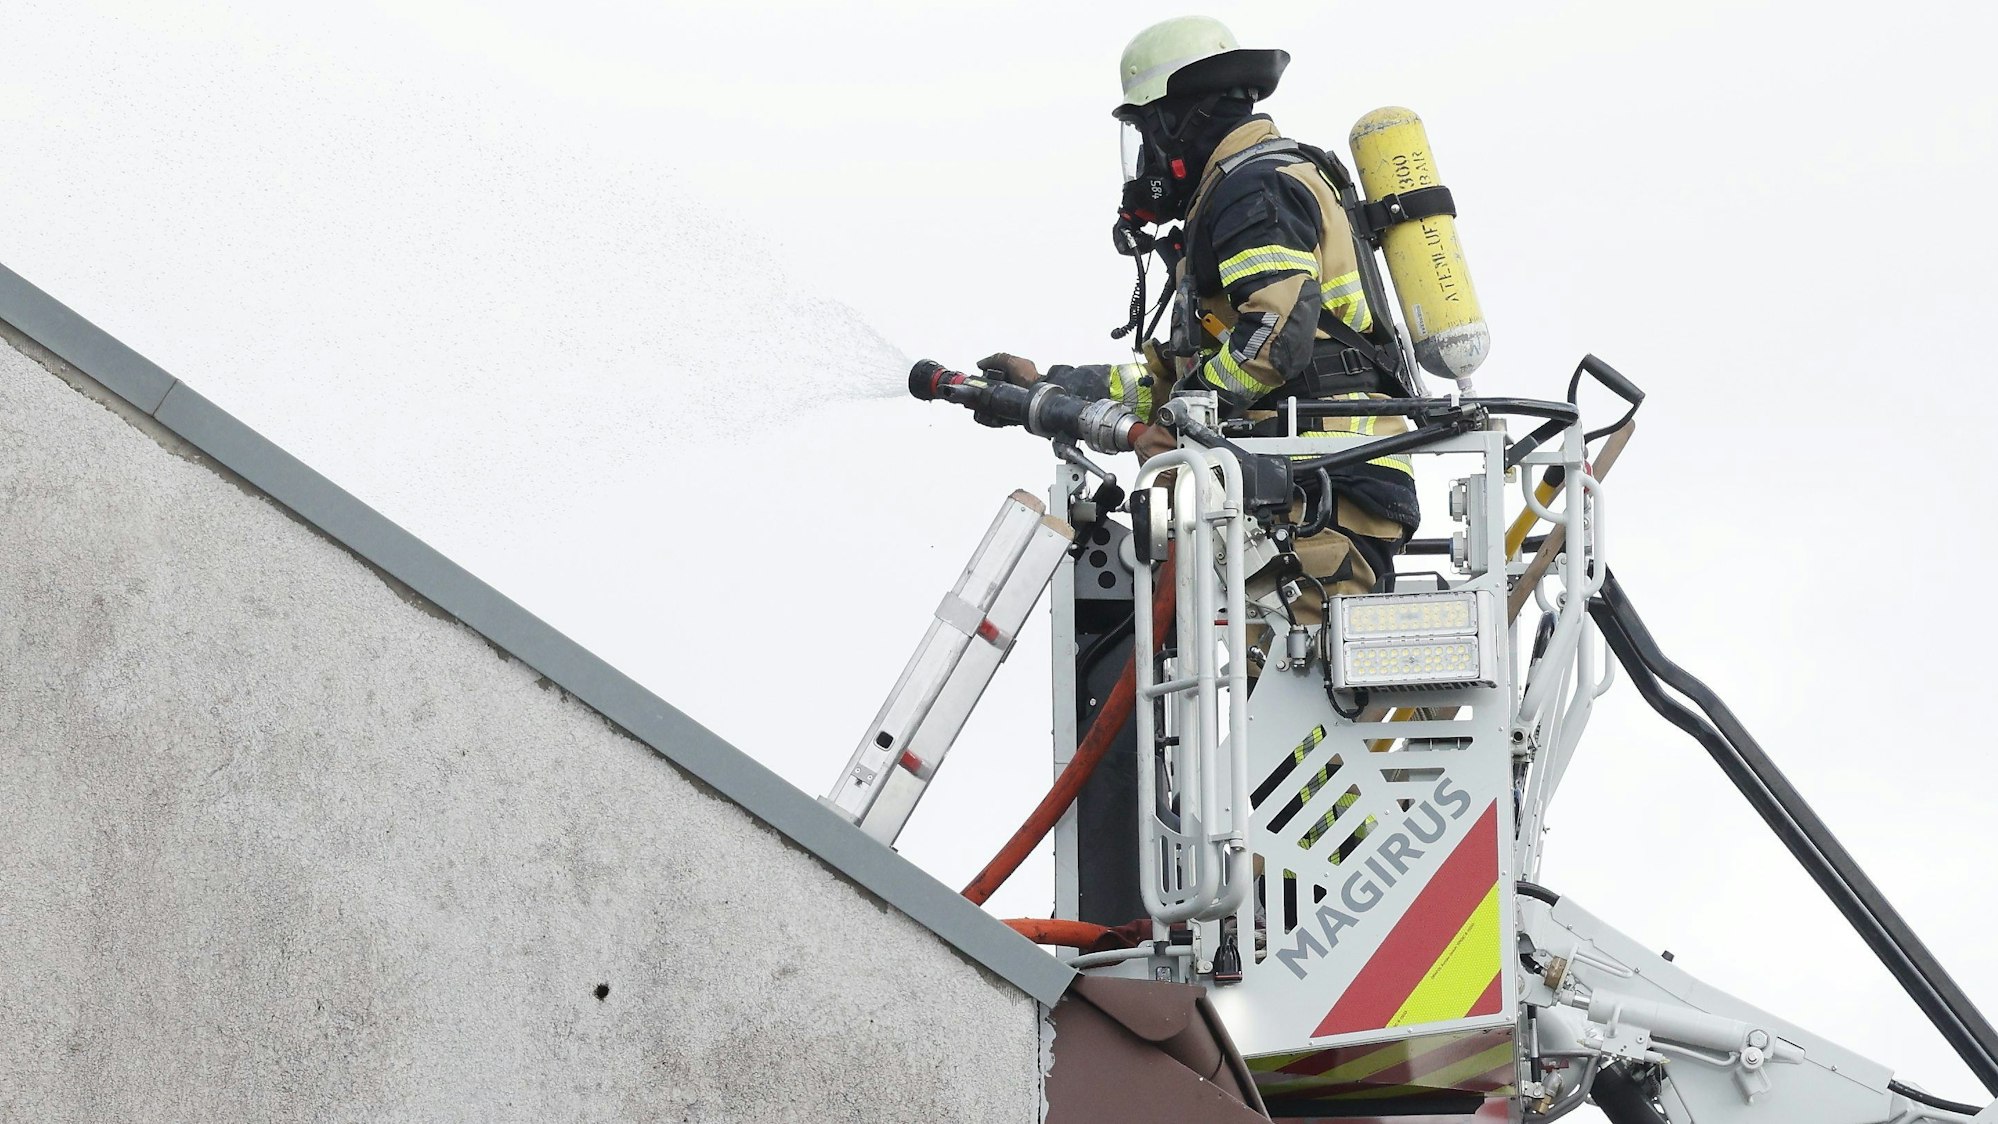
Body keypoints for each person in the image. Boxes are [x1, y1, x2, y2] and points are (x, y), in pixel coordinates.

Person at [979, 15, 1419, 606]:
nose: (1145, 159)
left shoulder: (1254, 189)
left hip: (1320, 488)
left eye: (1146, 132)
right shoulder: (1242, 190)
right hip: (1304, 487)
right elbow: (1181, 378)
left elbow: (1272, 334)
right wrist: (1051, 389)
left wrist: (1181, 423)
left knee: (1286, 686)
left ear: (1181, 120)